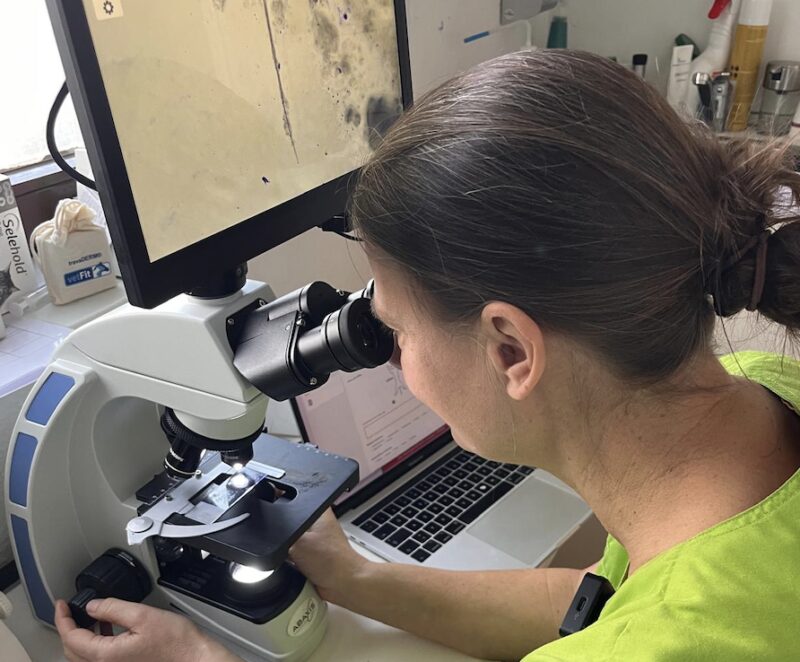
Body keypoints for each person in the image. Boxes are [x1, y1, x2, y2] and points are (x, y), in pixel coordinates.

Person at [55, 49, 800, 661]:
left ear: (511, 350)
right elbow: (593, 605)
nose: (392, 359)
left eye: (397, 333)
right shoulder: (763, 394)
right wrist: (355, 577)